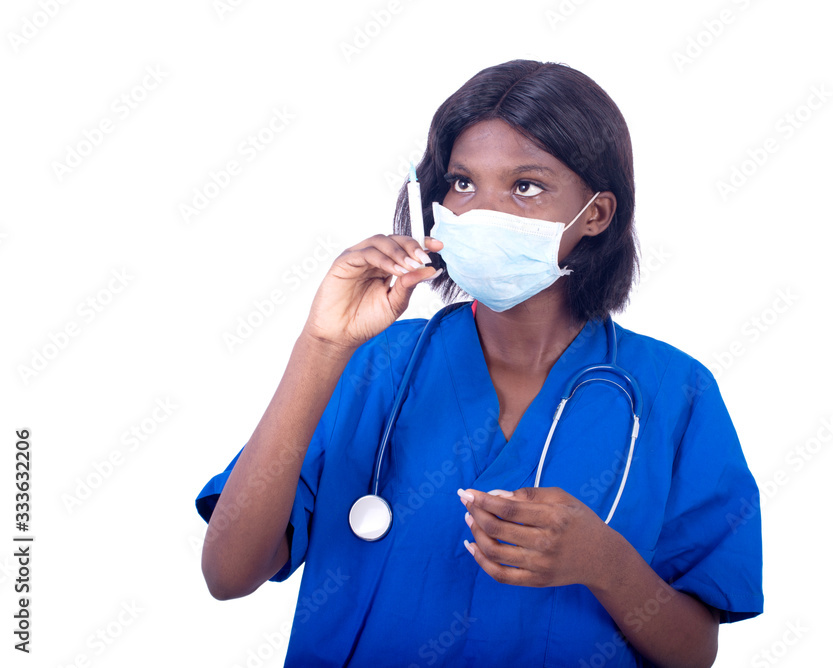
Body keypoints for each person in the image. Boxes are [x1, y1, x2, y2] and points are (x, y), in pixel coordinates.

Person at [195, 59, 763, 667]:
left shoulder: (675, 394)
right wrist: (322, 344)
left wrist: (603, 562)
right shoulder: (375, 363)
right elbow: (229, 574)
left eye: (525, 186)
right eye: (462, 183)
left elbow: (694, 654)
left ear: (595, 214)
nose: (481, 212)